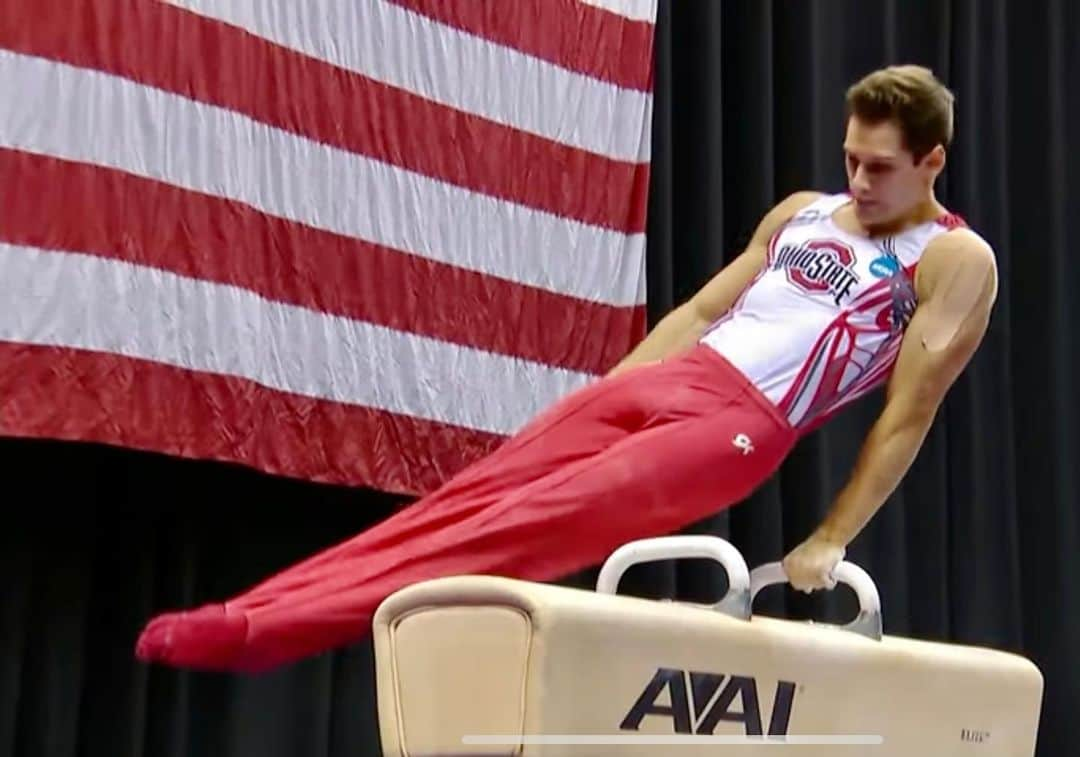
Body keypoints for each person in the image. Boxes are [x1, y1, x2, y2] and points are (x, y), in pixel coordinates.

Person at [135, 64, 998, 673]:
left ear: (932, 162)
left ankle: (263, 636)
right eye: (850, 156)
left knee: (523, 527)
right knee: (476, 493)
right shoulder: (805, 213)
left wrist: (833, 534)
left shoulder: (952, 259)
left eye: (880, 167)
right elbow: (700, 313)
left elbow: (907, 412)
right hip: (678, 374)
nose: (858, 178)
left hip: (738, 428)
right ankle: (251, 606)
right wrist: (611, 392)